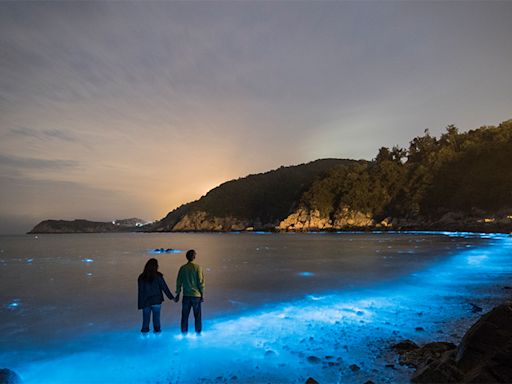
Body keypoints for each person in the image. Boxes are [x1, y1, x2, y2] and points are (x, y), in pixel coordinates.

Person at [137, 258, 174, 333]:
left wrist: (140, 304)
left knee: (145, 321)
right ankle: (157, 336)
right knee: (156, 320)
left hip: (145, 302)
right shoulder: (158, 276)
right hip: (156, 301)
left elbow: (140, 292)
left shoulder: (141, 277)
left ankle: (145, 339)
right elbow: (165, 288)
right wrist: (172, 298)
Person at [174, 249, 205, 334]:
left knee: (184, 316)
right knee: (197, 317)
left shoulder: (183, 268)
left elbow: (179, 282)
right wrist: (202, 295)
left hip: (186, 296)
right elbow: (200, 282)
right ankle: (198, 333)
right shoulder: (198, 267)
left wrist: (178, 293)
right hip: (196, 296)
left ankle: (184, 334)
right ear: (194, 257)